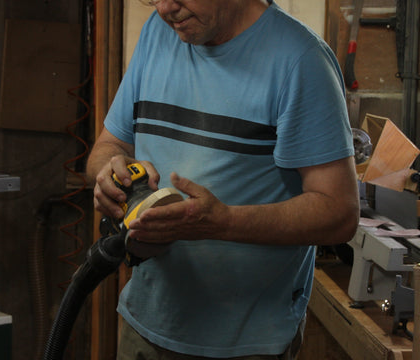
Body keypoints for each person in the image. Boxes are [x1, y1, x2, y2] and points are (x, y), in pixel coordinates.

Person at [86, 0, 360, 359]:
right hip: (145, 327)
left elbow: (339, 214)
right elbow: (108, 147)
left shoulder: (301, 60)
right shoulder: (159, 32)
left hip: (245, 344)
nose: (166, 8)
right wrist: (109, 172)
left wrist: (223, 223)